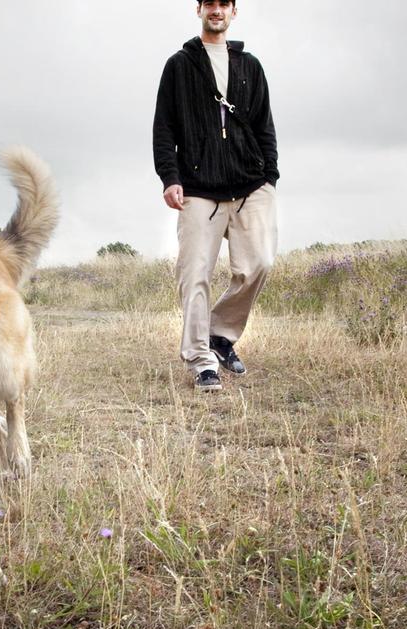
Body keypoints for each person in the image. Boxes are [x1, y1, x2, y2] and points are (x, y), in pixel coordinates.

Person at [153, 0, 279, 391]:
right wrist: (170, 178)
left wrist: (270, 176)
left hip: (250, 185)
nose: (217, 9)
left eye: (224, 3)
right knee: (195, 276)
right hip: (197, 188)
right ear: (199, 9)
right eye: (210, 3)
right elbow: (164, 128)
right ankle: (200, 360)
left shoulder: (250, 66)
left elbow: (264, 124)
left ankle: (220, 334)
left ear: (233, 12)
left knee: (259, 263)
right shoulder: (179, 65)